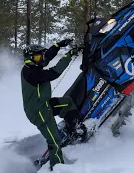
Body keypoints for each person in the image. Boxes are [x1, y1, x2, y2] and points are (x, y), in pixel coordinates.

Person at [20, 39, 87, 171]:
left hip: (43, 104)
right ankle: (56, 168)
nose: (41, 59)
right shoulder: (31, 73)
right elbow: (55, 72)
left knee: (67, 102)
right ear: (30, 58)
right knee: (55, 142)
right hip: (39, 112)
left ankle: (74, 128)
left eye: (40, 56)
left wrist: (58, 45)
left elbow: (48, 57)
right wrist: (69, 55)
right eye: (38, 57)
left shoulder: (34, 66)